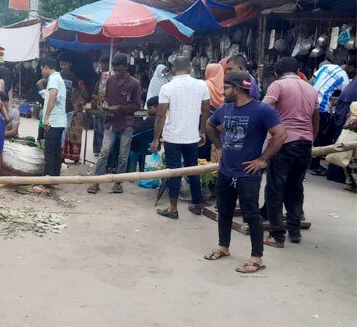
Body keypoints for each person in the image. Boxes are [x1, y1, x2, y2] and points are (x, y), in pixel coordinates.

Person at [204, 71, 287, 274]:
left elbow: (281, 134)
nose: (222, 91)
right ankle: (224, 246)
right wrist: (220, 147)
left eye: (225, 87)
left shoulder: (261, 110)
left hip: (247, 174)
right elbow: (209, 124)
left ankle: (256, 258)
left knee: (251, 215)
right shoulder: (225, 108)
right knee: (224, 210)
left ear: (237, 88)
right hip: (226, 171)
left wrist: (262, 159)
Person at [261, 57, 319, 248]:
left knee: (275, 189)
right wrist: (310, 137)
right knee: (295, 187)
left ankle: (277, 235)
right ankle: (294, 231)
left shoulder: (277, 86)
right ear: (298, 71)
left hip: (283, 143)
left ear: (276, 73)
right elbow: (315, 118)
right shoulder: (311, 89)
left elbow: (264, 109)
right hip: (305, 144)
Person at [152, 56, 210, 218]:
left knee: (174, 172)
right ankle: (197, 205)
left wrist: (156, 139)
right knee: (193, 171)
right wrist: (202, 130)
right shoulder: (201, 85)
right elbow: (206, 110)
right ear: (190, 67)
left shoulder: (167, 87)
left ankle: (173, 208)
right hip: (192, 137)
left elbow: (160, 116)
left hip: (172, 137)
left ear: (173, 69)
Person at [87, 53, 142, 194]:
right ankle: (96, 182)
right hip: (111, 121)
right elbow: (105, 97)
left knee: (123, 155)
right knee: (104, 152)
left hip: (127, 122)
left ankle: (118, 182)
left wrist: (119, 108)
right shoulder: (110, 80)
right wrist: (105, 104)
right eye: (115, 70)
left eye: (119, 70)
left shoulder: (135, 83)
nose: (117, 73)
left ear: (126, 67)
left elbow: (136, 106)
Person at [310, 58, 355, 175]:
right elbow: (344, 99)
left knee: (306, 134)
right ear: (351, 68)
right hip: (322, 109)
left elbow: (310, 82)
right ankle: (314, 166)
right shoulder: (345, 80)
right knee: (319, 138)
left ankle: (304, 164)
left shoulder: (326, 67)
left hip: (309, 104)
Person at [35, 57, 67, 193]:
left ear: (46, 67)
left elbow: (52, 96)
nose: (42, 71)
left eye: (42, 68)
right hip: (60, 121)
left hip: (53, 121)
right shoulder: (59, 78)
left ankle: (46, 183)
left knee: (49, 152)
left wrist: (46, 117)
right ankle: (55, 178)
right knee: (55, 151)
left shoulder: (53, 79)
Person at [63, 79, 88, 163]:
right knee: (66, 135)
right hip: (69, 113)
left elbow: (85, 100)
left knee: (76, 137)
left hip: (77, 116)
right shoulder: (69, 88)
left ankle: (75, 157)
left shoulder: (82, 89)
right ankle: (63, 156)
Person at [90, 56, 111, 155]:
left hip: (106, 107)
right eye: (100, 64)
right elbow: (95, 89)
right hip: (99, 105)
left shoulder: (110, 76)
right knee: (98, 128)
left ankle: (102, 150)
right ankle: (98, 150)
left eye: (103, 64)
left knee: (103, 129)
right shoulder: (100, 76)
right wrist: (93, 100)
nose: (101, 66)